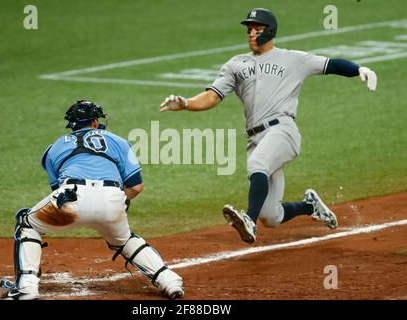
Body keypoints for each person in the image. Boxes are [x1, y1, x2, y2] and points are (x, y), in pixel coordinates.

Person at [159, 8, 377, 244]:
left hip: (283, 131)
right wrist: (185, 103)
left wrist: (359, 70)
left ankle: (249, 220)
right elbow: (212, 96)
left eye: (257, 29)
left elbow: (330, 64)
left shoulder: (292, 59)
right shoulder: (236, 64)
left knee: (258, 164)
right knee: (271, 216)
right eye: (249, 29)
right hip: (256, 140)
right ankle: (310, 206)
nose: (251, 33)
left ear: (269, 31)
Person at [0, 100, 184, 299]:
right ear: (95, 122)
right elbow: (136, 186)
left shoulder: (53, 148)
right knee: (124, 240)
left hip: (73, 197)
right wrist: (122, 202)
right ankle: (169, 281)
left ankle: (27, 286)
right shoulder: (119, 141)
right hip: (113, 198)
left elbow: (58, 189)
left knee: (27, 223)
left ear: (72, 125)